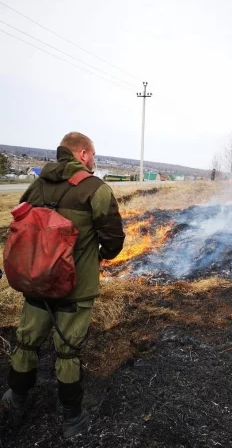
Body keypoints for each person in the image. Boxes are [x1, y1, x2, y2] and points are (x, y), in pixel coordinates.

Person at [1, 132, 125, 438]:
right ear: (82, 154)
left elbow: (20, 225)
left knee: (27, 340)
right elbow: (114, 240)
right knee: (67, 350)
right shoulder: (95, 189)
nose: (94, 161)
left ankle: (15, 399)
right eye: (93, 155)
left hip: (34, 280)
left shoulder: (36, 184)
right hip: (75, 288)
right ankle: (72, 420)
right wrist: (97, 256)